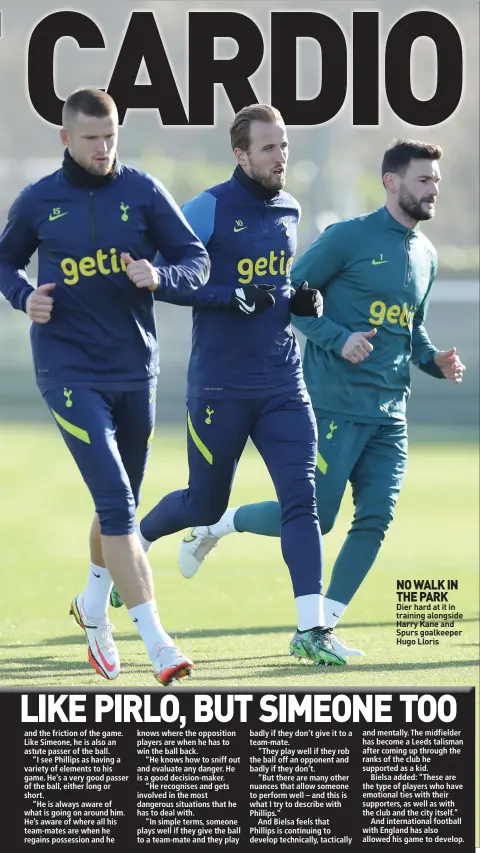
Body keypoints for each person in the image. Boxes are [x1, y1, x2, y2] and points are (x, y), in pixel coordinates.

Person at [176, 138, 466, 657]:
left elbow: (411, 330)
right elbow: (292, 300)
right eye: (424, 180)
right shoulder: (347, 238)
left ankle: (319, 631)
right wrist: (339, 338)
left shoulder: (426, 254)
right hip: (334, 405)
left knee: (375, 520)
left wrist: (435, 362)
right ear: (392, 182)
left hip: (390, 415)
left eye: (436, 182)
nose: (432, 189)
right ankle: (215, 525)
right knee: (319, 516)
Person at [113, 103, 345, 667]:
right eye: (269, 147)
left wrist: (300, 299)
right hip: (221, 388)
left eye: (284, 145)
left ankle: (311, 629)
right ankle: (134, 551)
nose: (281, 156)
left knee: (303, 502)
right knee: (204, 501)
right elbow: (157, 276)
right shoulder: (209, 207)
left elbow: (276, 283)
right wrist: (227, 297)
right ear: (240, 154)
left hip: (284, 382)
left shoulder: (290, 207)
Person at [0, 87, 211, 685]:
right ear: (67, 138)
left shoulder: (143, 191)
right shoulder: (40, 200)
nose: (104, 146)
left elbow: (194, 260)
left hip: (134, 370)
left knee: (117, 506)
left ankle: (92, 608)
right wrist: (24, 297)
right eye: (92, 138)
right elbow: (4, 261)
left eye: (112, 135)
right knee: (118, 504)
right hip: (67, 372)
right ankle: (158, 644)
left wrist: (159, 275)